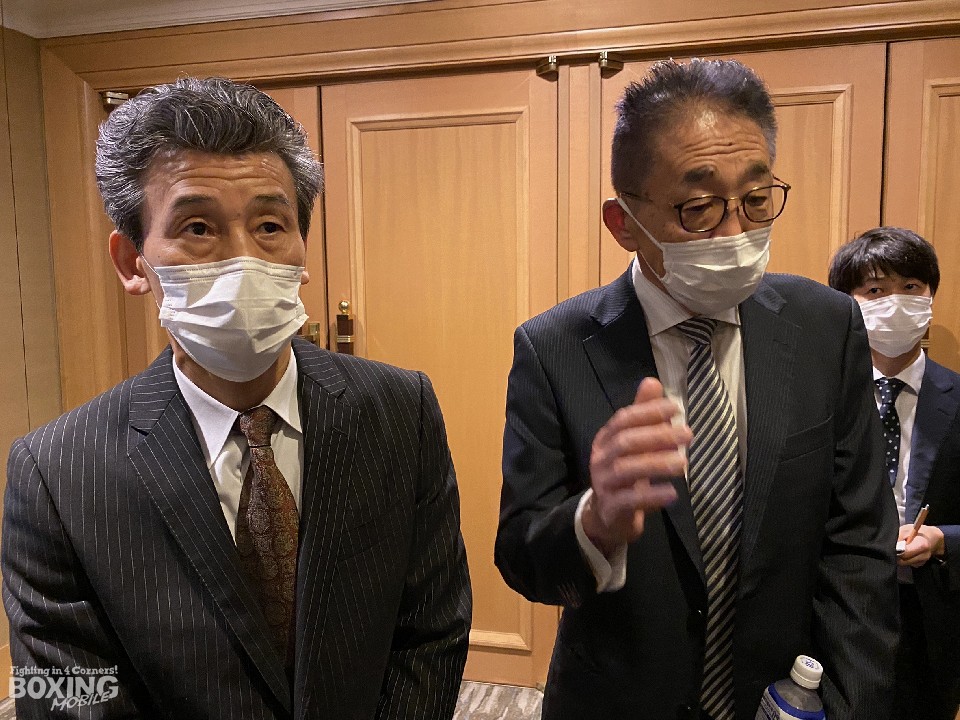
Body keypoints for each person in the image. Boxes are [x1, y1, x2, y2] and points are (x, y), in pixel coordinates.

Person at [2, 77, 471, 719]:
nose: (244, 259)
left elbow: (431, 630)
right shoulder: (56, 472)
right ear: (132, 261)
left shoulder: (398, 410)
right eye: (198, 227)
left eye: (270, 225)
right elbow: (68, 695)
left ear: (302, 248)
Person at [495, 58, 899, 720]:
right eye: (699, 208)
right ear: (624, 222)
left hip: (787, 697)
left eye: (756, 200)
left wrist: (849, 705)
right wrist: (593, 523)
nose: (736, 234)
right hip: (618, 702)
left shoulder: (827, 328)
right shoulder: (554, 348)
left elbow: (858, 542)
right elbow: (521, 557)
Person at [828, 226, 960, 720]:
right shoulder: (819, 397)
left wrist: (942, 539)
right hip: (834, 610)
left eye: (911, 287)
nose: (895, 302)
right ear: (847, 302)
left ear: (931, 296)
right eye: (875, 290)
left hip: (930, 622)